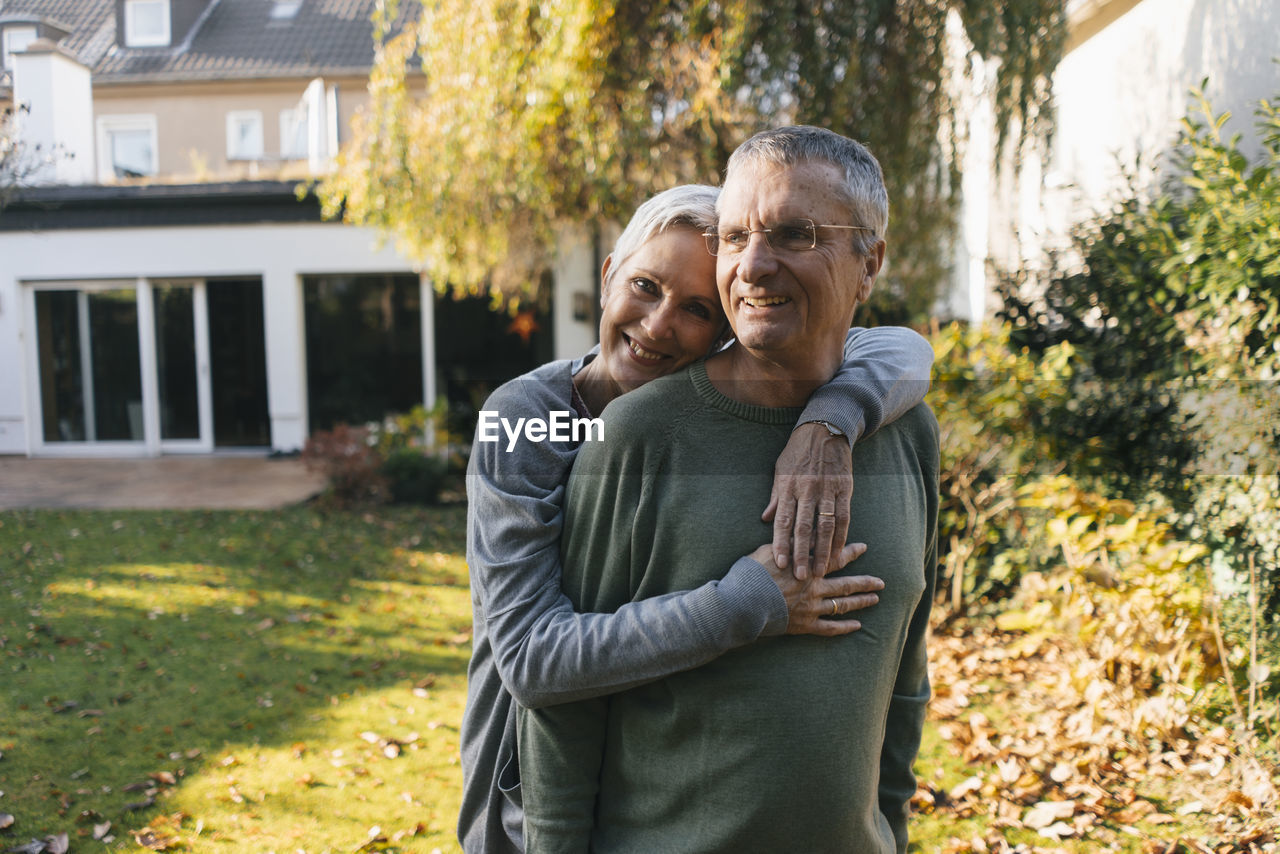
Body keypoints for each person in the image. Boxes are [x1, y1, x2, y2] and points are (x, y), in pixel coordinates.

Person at [461, 184, 934, 852]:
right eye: (645, 286)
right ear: (607, 278)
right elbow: (533, 659)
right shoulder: (524, 418)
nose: (657, 325)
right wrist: (746, 602)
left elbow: (904, 351)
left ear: (725, 330)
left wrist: (832, 418)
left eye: (696, 310)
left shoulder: (695, 419)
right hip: (518, 803)